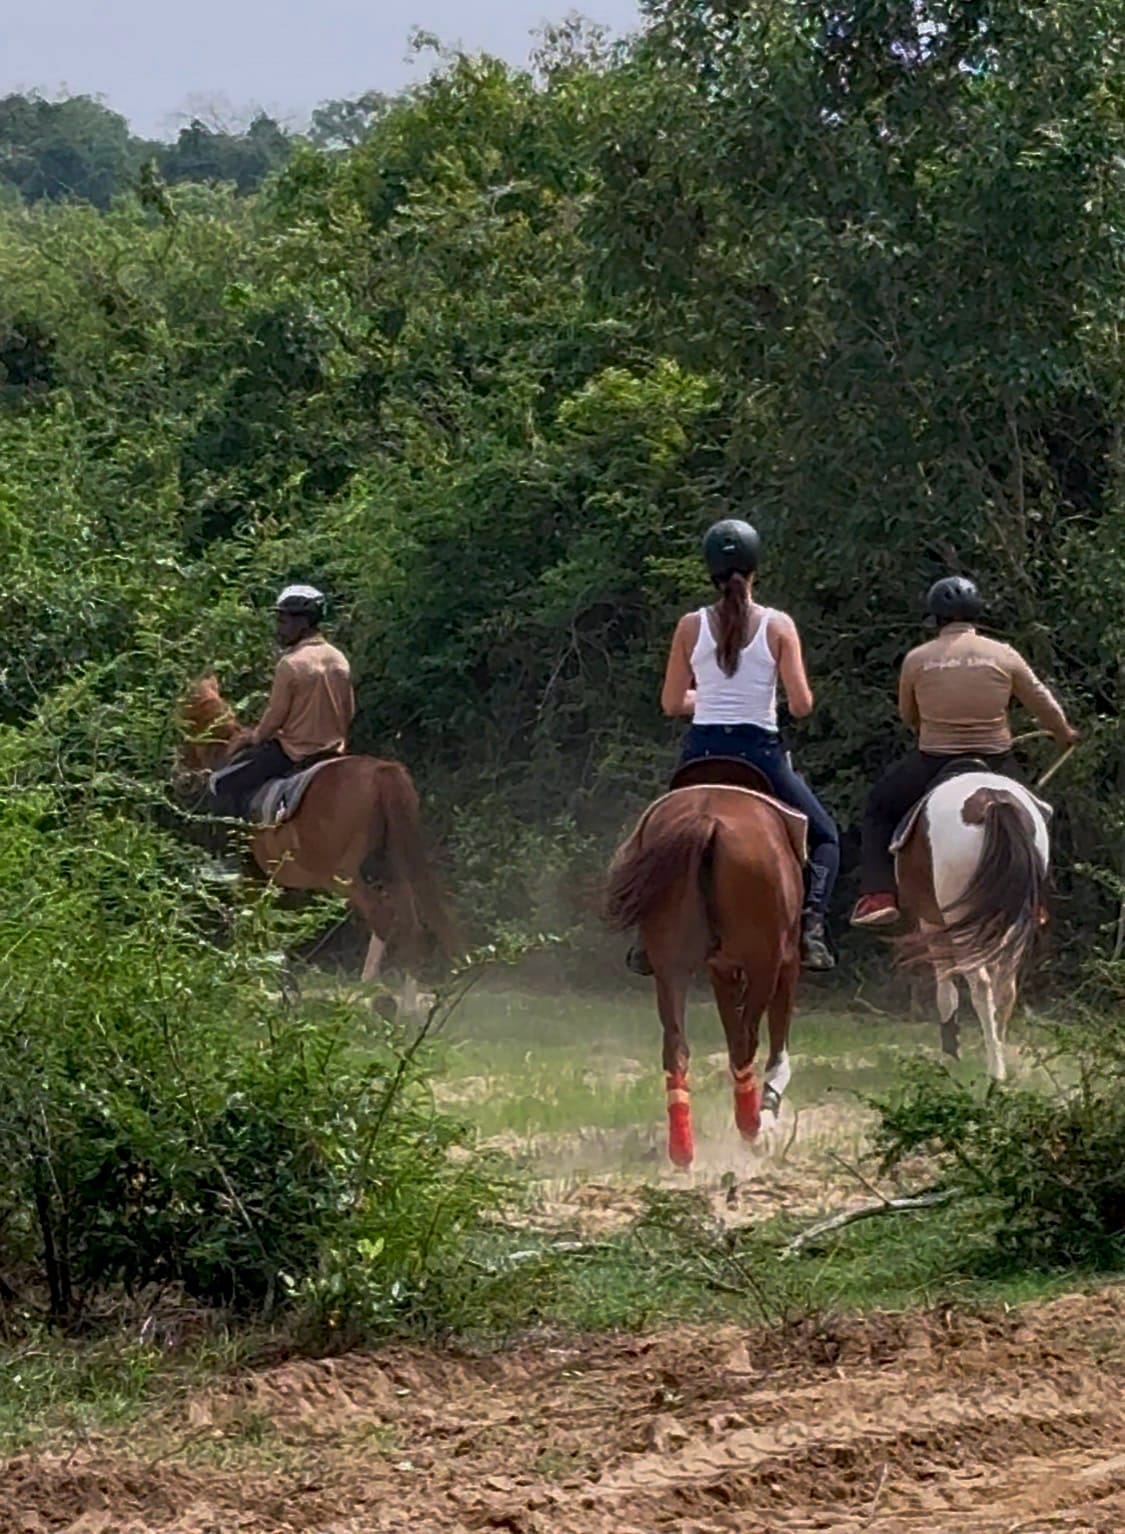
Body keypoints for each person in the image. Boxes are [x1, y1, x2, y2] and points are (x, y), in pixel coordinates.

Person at [628, 518, 840, 973]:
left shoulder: (689, 625)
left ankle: (646, 936)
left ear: (710, 571)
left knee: (649, 839)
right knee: (825, 836)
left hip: (702, 751)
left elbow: (670, 702)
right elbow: (802, 705)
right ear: (755, 567)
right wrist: (763, 693)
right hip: (759, 753)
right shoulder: (779, 625)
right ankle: (812, 929)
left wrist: (709, 696)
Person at [850, 575, 1079, 928]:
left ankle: (879, 894)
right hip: (995, 761)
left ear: (936, 618)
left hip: (933, 762)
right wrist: (1064, 733)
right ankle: (1035, 898)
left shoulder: (917, 659)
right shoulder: (1004, 654)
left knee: (879, 808)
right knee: (1039, 815)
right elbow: (1044, 705)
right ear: (976, 613)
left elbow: (908, 716)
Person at [210, 584, 355, 822]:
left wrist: (254, 737)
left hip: (294, 753)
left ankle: (237, 851)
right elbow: (348, 712)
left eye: (284, 622)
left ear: (303, 623)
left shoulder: (291, 664)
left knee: (222, 783)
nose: (279, 629)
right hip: (334, 751)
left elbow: (275, 718)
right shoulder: (339, 659)